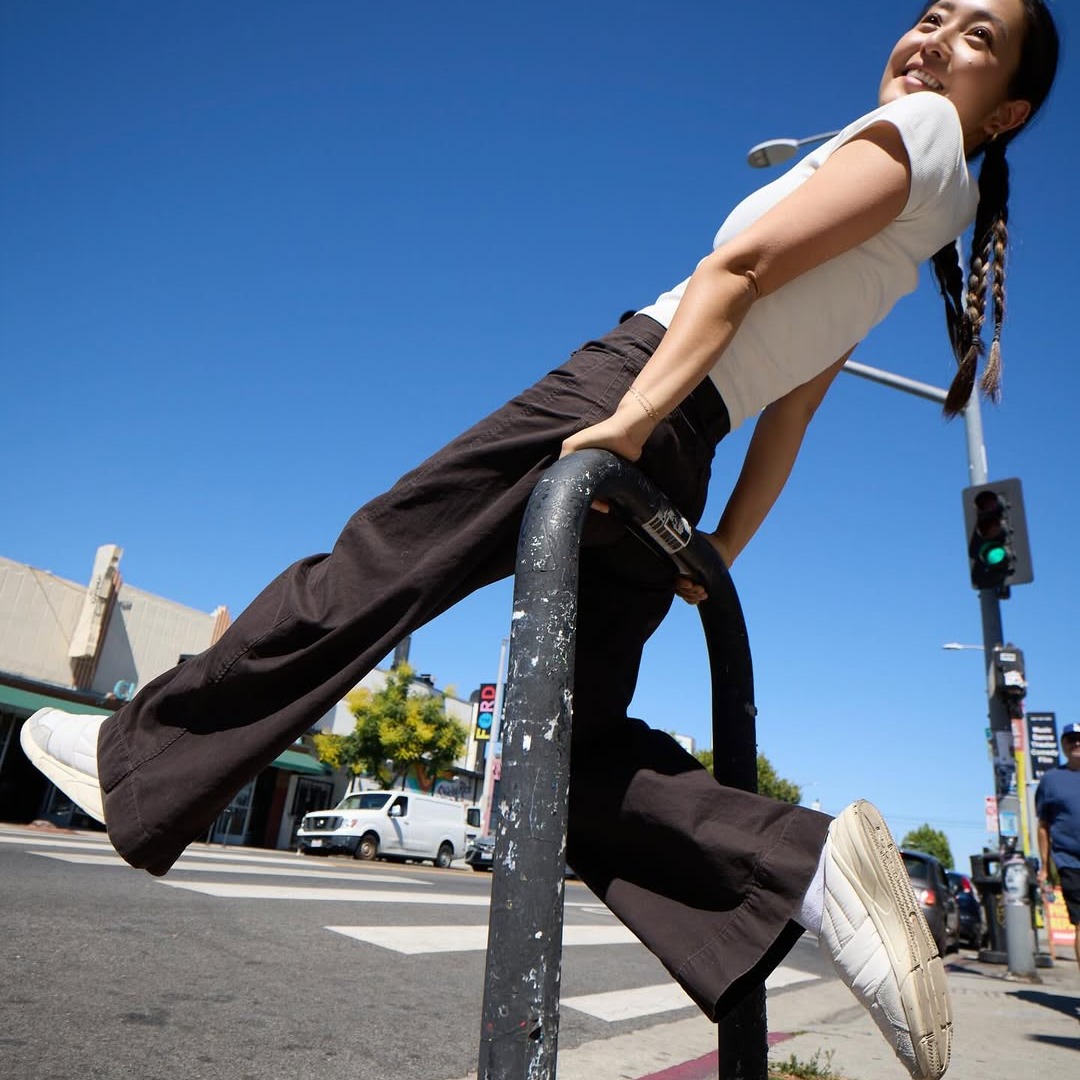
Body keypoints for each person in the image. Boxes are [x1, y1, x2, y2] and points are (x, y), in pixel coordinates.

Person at [20, 3, 1060, 1077]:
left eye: (977, 36)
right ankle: (808, 866)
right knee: (566, 750)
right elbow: (788, 414)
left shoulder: (919, 134)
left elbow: (740, 267)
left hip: (633, 389)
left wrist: (630, 417)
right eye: (932, 14)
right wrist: (719, 548)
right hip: (685, 448)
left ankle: (137, 756)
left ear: (1007, 111)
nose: (935, 37)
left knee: (383, 559)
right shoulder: (919, 229)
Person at [1036, 722, 1080, 970]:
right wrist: (1044, 866)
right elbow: (1043, 826)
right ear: (1063, 745)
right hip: (1070, 861)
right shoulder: (1051, 780)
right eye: (1071, 739)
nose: (1077, 743)